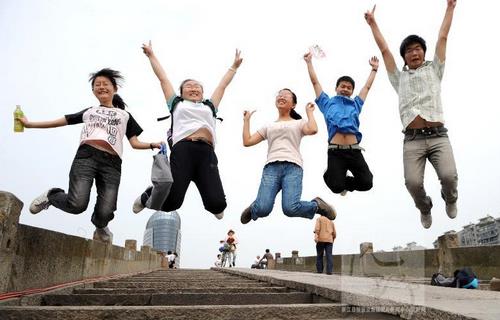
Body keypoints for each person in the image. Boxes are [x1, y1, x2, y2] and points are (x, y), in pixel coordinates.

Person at [22, 68, 162, 244]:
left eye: (106, 84)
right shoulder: (90, 111)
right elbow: (61, 121)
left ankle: (100, 226)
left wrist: (152, 144)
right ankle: (52, 195)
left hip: (112, 164)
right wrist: (30, 124)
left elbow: (134, 143)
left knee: (106, 211)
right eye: (97, 84)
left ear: (115, 88)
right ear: (93, 90)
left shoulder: (125, 115)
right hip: (86, 157)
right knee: (77, 205)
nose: (101, 87)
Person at [365, 0, 458, 228]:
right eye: (409, 50)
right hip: (413, 139)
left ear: (424, 53)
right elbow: (385, 50)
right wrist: (372, 24)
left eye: (417, 49)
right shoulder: (399, 77)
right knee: (413, 183)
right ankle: (425, 207)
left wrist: (450, 8)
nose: (414, 53)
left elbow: (442, 38)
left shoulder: (435, 70)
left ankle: (450, 198)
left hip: (438, 136)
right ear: (404, 57)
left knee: (449, 176)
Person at [133, 41, 243, 219]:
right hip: (183, 150)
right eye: (189, 86)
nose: (193, 88)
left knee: (218, 205)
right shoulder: (176, 104)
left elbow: (222, 86)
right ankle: (147, 196)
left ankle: (215, 202)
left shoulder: (209, 106)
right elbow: (163, 79)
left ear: (202, 92)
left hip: (206, 153)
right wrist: (151, 55)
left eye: (197, 86)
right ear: (181, 92)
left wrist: (234, 67)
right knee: (171, 203)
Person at [240, 89, 337, 224]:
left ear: (293, 105)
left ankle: (317, 205)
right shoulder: (269, 125)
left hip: (293, 167)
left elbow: (313, 129)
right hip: (271, 168)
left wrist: (309, 113)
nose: (281, 96)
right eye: (279, 94)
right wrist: (246, 121)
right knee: (262, 209)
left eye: (286, 95)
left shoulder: (298, 123)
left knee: (290, 208)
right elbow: (247, 141)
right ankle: (254, 208)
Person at [303, 51, 379, 196]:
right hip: (335, 151)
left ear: (352, 91)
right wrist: (309, 62)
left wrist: (374, 70)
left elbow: (366, 88)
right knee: (336, 187)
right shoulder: (327, 103)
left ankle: (343, 180)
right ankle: (332, 175)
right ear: (336, 88)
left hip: (354, 150)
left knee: (367, 183)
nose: (345, 89)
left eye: (349, 88)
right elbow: (315, 82)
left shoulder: (356, 104)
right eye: (342, 86)